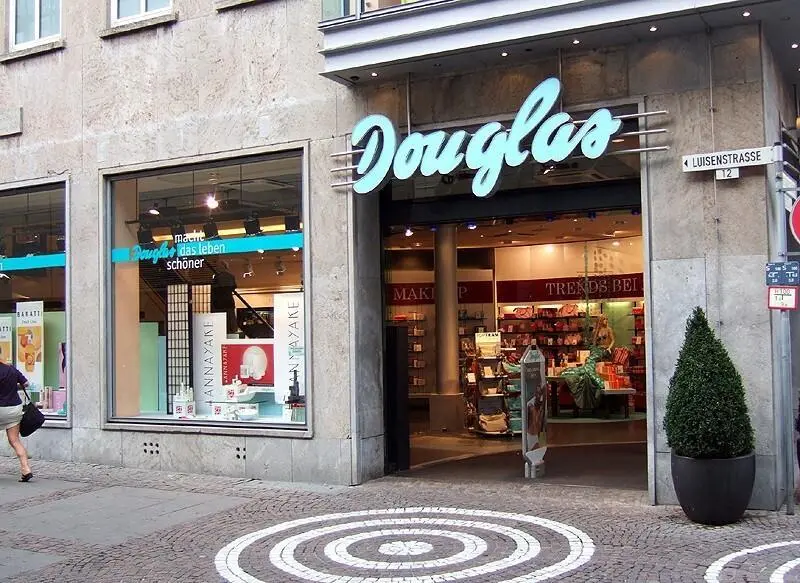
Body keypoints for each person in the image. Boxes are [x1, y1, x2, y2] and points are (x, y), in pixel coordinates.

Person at [0, 361, 32, 482]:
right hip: (14, 409)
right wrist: (13, 386)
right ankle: (26, 469)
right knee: (14, 440)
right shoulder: (11, 369)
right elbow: (26, 383)